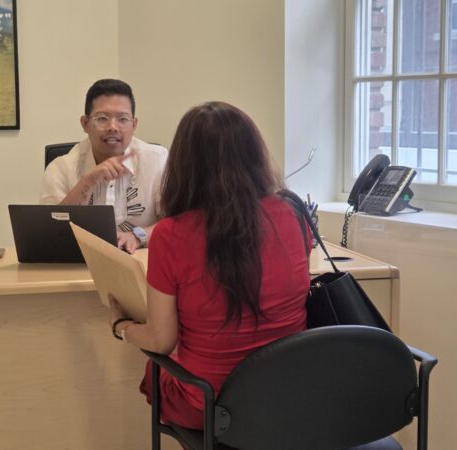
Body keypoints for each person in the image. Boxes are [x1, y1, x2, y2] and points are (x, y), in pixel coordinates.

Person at [108, 101, 311, 430]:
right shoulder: (294, 214)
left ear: (185, 165)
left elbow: (161, 341)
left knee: (155, 371)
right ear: (254, 153)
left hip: (214, 407)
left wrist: (121, 327)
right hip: (291, 397)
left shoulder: (172, 235)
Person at [40, 79, 168, 254]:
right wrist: (88, 180)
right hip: (79, 266)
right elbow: (49, 232)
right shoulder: (61, 167)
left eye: (122, 119)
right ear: (85, 124)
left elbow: (179, 222)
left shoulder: (158, 160)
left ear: (134, 124)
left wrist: (138, 235)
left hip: (143, 267)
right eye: (102, 119)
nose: (113, 127)